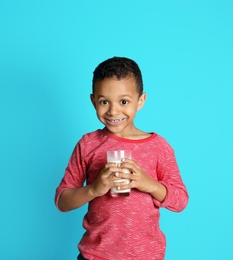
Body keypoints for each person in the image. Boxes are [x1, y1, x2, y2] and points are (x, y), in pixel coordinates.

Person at [55, 57, 188, 260]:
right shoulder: (88, 144)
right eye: (104, 102)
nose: (113, 111)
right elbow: (62, 201)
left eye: (123, 101)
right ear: (93, 101)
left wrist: (149, 184)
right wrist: (94, 189)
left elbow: (180, 200)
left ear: (140, 101)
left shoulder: (158, 147)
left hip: (146, 256)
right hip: (95, 255)